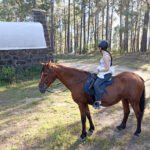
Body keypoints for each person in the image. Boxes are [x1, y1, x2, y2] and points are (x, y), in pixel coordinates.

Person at [93, 40, 114, 109]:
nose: (98, 48)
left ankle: (99, 103)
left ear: (101, 48)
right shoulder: (104, 54)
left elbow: (107, 68)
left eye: (98, 47)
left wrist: (99, 70)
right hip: (103, 72)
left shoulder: (106, 56)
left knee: (96, 85)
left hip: (106, 73)